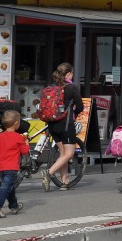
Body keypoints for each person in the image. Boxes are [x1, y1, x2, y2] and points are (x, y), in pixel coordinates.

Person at [41, 62, 81, 191]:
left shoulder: (52, 87)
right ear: (68, 74)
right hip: (65, 124)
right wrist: (74, 112)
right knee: (69, 154)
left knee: (62, 153)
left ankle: (64, 181)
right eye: (72, 73)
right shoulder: (72, 87)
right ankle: (49, 172)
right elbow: (80, 106)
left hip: (52, 124)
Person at [0, 110, 29, 217]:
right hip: (11, 167)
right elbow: (24, 152)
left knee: (9, 186)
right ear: (16, 123)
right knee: (5, 187)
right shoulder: (18, 137)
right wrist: (26, 142)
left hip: (0, 168)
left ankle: (14, 206)